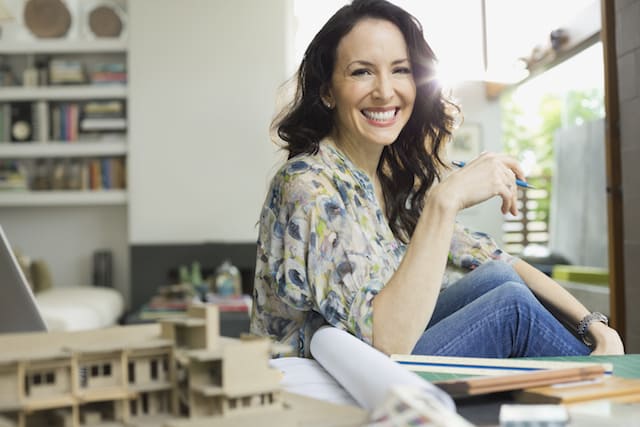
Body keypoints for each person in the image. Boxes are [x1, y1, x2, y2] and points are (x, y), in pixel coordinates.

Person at [250, 0, 624, 359]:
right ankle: (611, 394)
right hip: (329, 381)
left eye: (401, 70)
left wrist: (595, 326)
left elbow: (497, 260)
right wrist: (446, 200)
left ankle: (600, 385)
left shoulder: (392, 182)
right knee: (510, 308)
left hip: (380, 360)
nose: (385, 90)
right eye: (361, 71)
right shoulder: (308, 185)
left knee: (498, 281)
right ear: (328, 91)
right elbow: (386, 341)